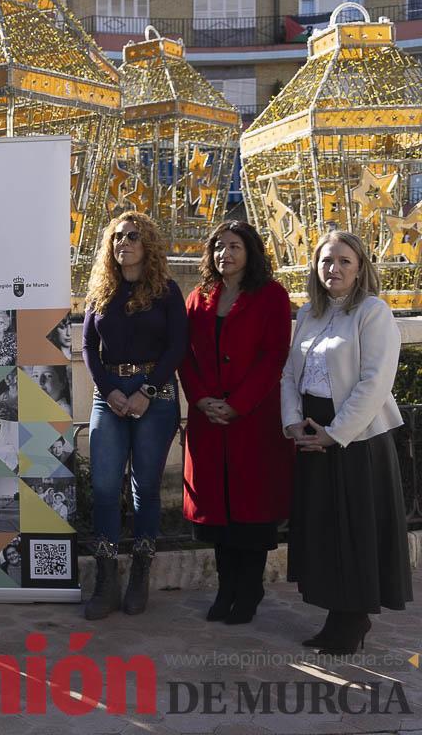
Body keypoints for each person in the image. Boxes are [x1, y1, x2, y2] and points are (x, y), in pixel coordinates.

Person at [280, 231, 411, 656]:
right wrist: (294, 424)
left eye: (343, 262)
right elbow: (288, 376)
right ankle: (336, 613)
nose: (333, 269)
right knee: (323, 530)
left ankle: (353, 619)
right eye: (325, 261)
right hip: (311, 436)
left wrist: (335, 435)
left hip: (357, 442)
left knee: (355, 532)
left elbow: (376, 382)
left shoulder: (373, 313)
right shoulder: (308, 313)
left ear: (359, 269)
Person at [180, 222, 292, 626]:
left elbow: (274, 356)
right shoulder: (198, 297)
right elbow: (185, 357)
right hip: (209, 420)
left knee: (251, 512)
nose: (224, 254)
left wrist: (239, 404)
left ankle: (249, 589)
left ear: (251, 252)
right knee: (220, 515)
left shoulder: (272, 296)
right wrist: (203, 399)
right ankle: (226, 587)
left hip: (253, 421)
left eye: (234, 246)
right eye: (218, 247)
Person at [82, 211, 186, 620]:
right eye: (117, 237)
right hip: (107, 396)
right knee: (106, 488)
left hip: (154, 396)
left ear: (148, 246)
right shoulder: (101, 291)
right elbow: (89, 347)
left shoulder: (166, 291)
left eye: (132, 237)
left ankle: (140, 571)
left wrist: (147, 390)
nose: (123, 243)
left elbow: (177, 345)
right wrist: (109, 390)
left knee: (145, 488)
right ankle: (106, 580)